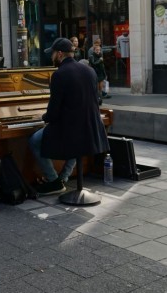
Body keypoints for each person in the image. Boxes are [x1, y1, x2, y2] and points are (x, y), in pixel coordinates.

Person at [29, 37, 109, 195]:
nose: (51, 57)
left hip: (70, 129)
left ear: (59, 54)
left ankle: (53, 181)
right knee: (76, 144)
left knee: (34, 140)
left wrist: (41, 118)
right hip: (90, 126)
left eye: (52, 54)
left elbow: (53, 112)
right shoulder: (89, 70)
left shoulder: (60, 74)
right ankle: (64, 178)